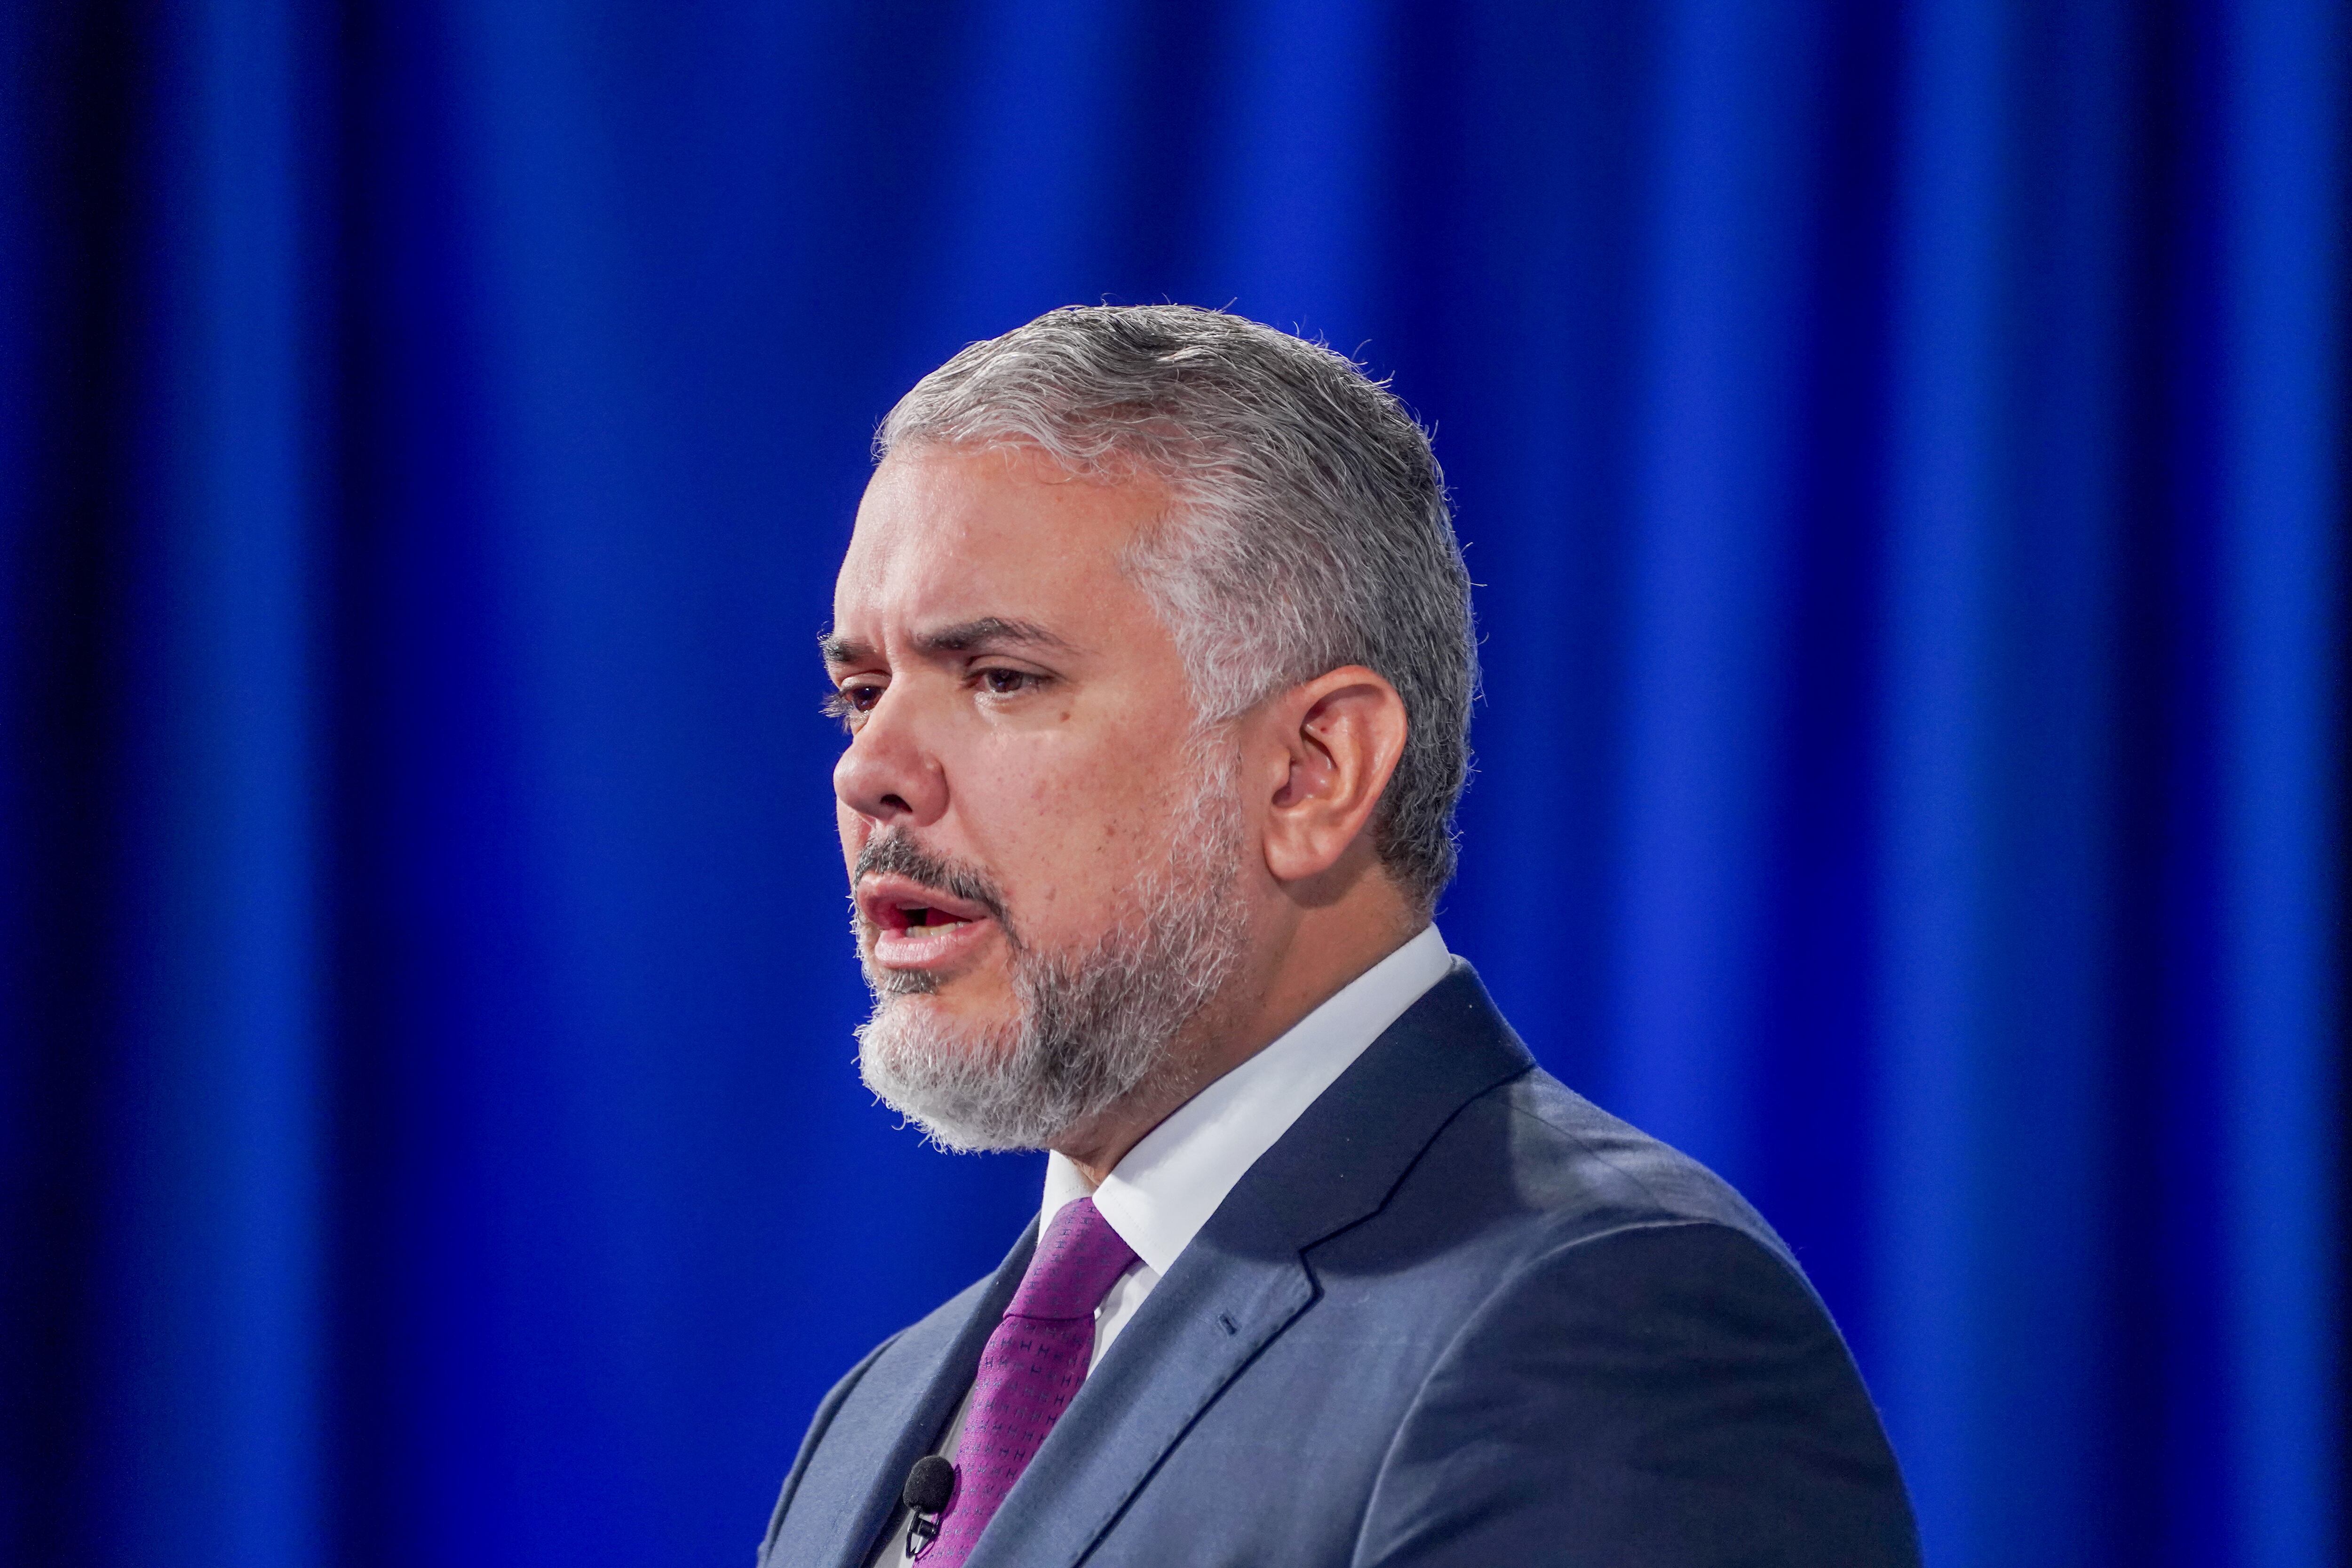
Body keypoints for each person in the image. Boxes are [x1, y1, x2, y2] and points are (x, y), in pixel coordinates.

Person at [759, 304, 1919, 1568]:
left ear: (1314, 771)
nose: (868, 770)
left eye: (1001, 678)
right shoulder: (874, 1419)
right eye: (860, 693)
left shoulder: (1611, 1324)